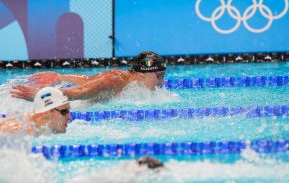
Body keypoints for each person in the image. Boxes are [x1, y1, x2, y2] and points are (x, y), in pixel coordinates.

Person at [10, 51, 166, 102]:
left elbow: (88, 81)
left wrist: (59, 77)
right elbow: (81, 91)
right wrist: (44, 96)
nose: (162, 81)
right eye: (159, 76)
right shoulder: (115, 80)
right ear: (141, 75)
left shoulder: (123, 78)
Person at [0, 87, 71, 135]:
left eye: (68, 111)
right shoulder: (19, 130)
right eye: (64, 112)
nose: (69, 117)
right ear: (45, 112)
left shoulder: (43, 128)